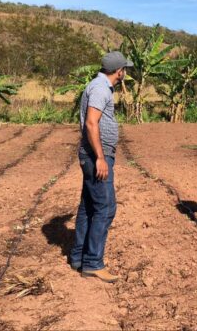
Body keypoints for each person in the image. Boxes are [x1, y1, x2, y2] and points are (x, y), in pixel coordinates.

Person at [69, 51, 133, 283]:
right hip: (96, 155)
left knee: (88, 207)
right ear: (119, 71)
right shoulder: (99, 88)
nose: (125, 72)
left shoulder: (102, 87)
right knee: (106, 208)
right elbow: (91, 122)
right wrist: (100, 157)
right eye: (125, 69)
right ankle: (93, 263)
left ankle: (78, 256)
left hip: (94, 154)